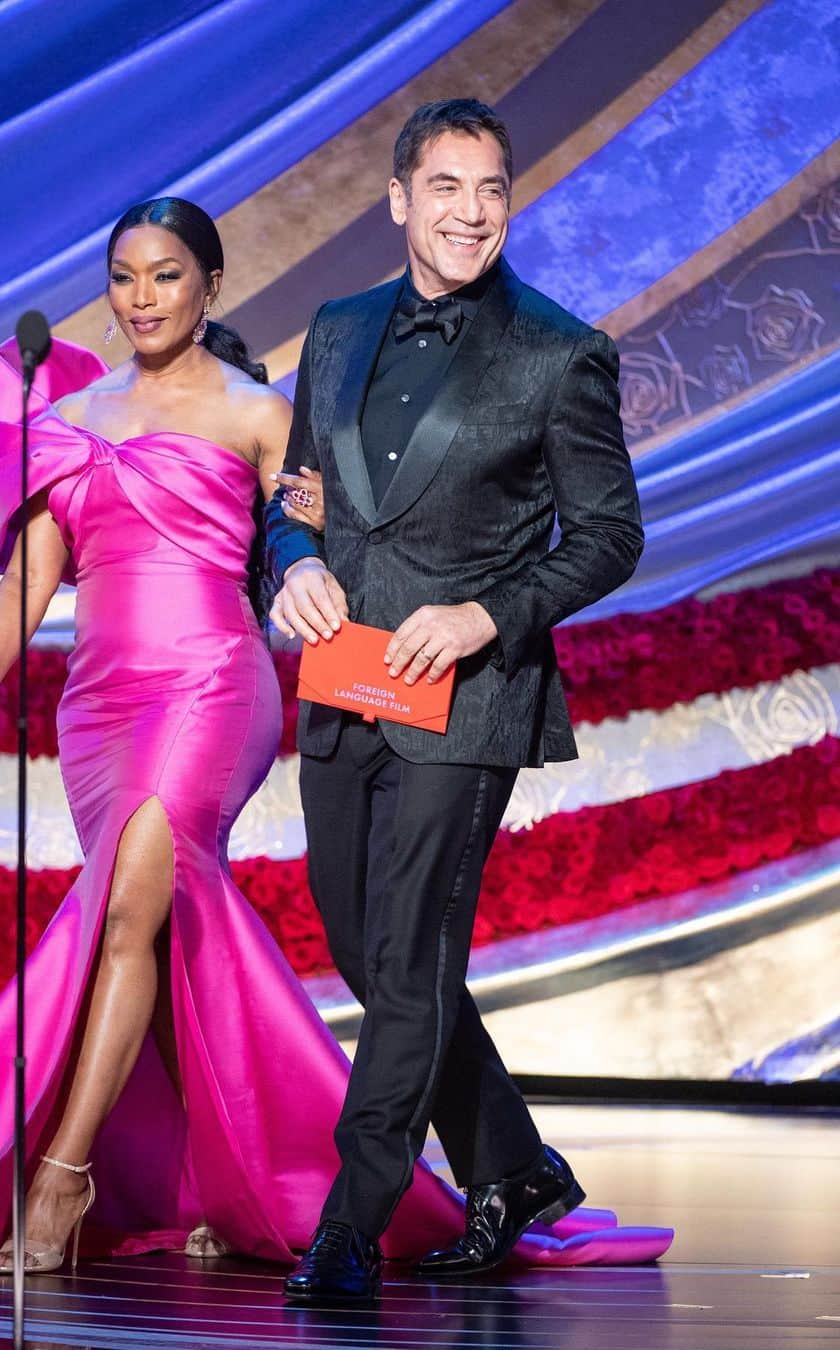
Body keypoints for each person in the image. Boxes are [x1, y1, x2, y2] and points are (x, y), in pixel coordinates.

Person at [0, 197, 472, 1273]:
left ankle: (61, 1176)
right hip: (96, 706)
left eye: (165, 276)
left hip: (209, 685)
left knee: (136, 904)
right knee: (146, 928)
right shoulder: (69, 420)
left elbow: (320, 535)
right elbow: (33, 575)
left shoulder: (258, 411)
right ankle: (229, 1178)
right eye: (124, 276)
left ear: (209, 288)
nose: (141, 297)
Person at [267, 100, 647, 1303]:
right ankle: (511, 1162)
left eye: (491, 188)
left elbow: (609, 535)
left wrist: (489, 616)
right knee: (366, 945)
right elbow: (294, 499)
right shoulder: (335, 330)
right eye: (446, 187)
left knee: (413, 948)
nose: (470, 211)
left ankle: (353, 1222)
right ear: (398, 200)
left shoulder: (557, 350)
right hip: (342, 679)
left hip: (466, 696)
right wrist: (293, 565)